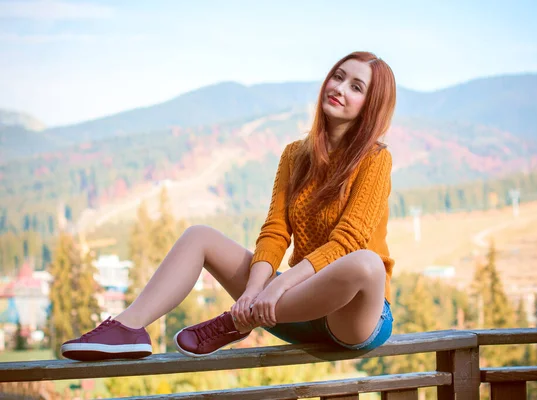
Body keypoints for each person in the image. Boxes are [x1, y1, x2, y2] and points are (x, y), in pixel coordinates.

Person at [61, 51, 397, 361]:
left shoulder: (375, 160)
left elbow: (346, 242)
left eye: (355, 86)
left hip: (351, 319)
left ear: (371, 106)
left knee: (366, 264)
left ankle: (235, 322)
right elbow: (276, 232)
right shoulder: (295, 155)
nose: (338, 87)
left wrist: (278, 285)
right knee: (199, 236)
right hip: (293, 307)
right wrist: (252, 290)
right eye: (337, 77)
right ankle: (128, 327)